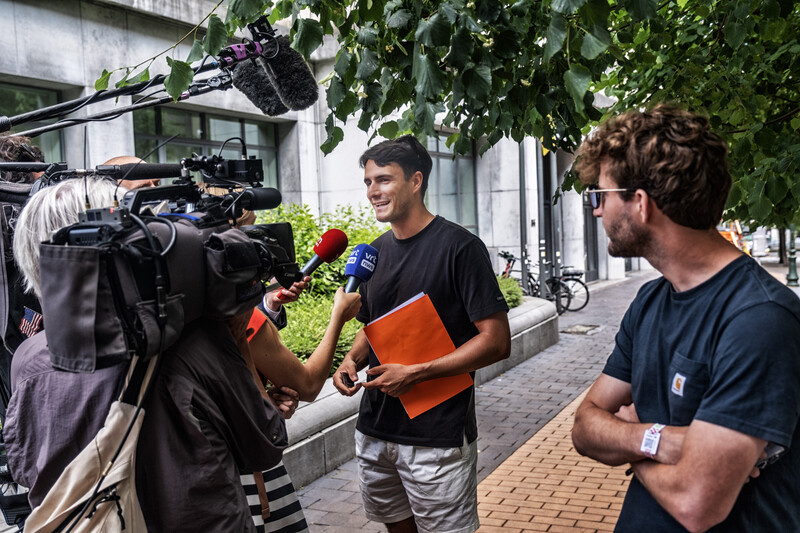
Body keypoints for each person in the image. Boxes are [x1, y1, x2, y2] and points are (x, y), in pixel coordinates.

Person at [4, 177, 290, 532]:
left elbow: (25, 468)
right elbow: (265, 444)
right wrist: (237, 338)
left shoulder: (27, 359)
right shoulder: (191, 343)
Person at [570, 104, 800, 532]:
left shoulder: (760, 319)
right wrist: (661, 441)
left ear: (640, 203)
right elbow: (584, 425)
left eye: (600, 196)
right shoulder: (649, 300)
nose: (597, 211)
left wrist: (634, 445)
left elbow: (696, 503)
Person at [332, 135, 511, 533]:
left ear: (415, 181)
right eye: (368, 182)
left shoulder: (461, 247)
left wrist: (417, 373)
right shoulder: (374, 251)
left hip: (438, 438)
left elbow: (497, 341)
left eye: (384, 179)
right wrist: (351, 359)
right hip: (375, 430)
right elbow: (372, 325)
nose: (373, 191)